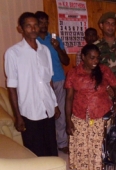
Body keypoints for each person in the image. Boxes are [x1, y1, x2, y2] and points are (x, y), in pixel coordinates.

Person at [65, 44, 116, 170]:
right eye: (92, 58)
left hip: (101, 114)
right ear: (83, 57)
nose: (95, 61)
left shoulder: (104, 70)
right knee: (83, 147)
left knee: (99, 146)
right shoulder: (73, 73)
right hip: (80, 115)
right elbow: (69, 98)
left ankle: (100, 169)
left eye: (97, 57)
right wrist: (68, 120)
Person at [5, 12, 59, 156]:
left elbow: (49, 81)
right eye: (28, 26)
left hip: (47, 108)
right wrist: (18, 116)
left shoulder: (45, 50)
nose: (33, 29)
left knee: (51, 147)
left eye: (35, 25)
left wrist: (54, 104)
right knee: (35, 151)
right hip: (30, 111)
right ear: (20, 29)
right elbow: (11, 87)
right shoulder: (13, 53)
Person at [35, 11, 70, 154]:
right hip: (41, 83)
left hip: (59, 80)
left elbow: (66, 61)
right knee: (45, 113)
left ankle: (62, 143)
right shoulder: (33, 40)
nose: (43, 25)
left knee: (60, 113)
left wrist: (57, 47)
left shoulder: (55, 39)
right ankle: (48, 144)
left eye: (45, 22)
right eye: (40, 22)